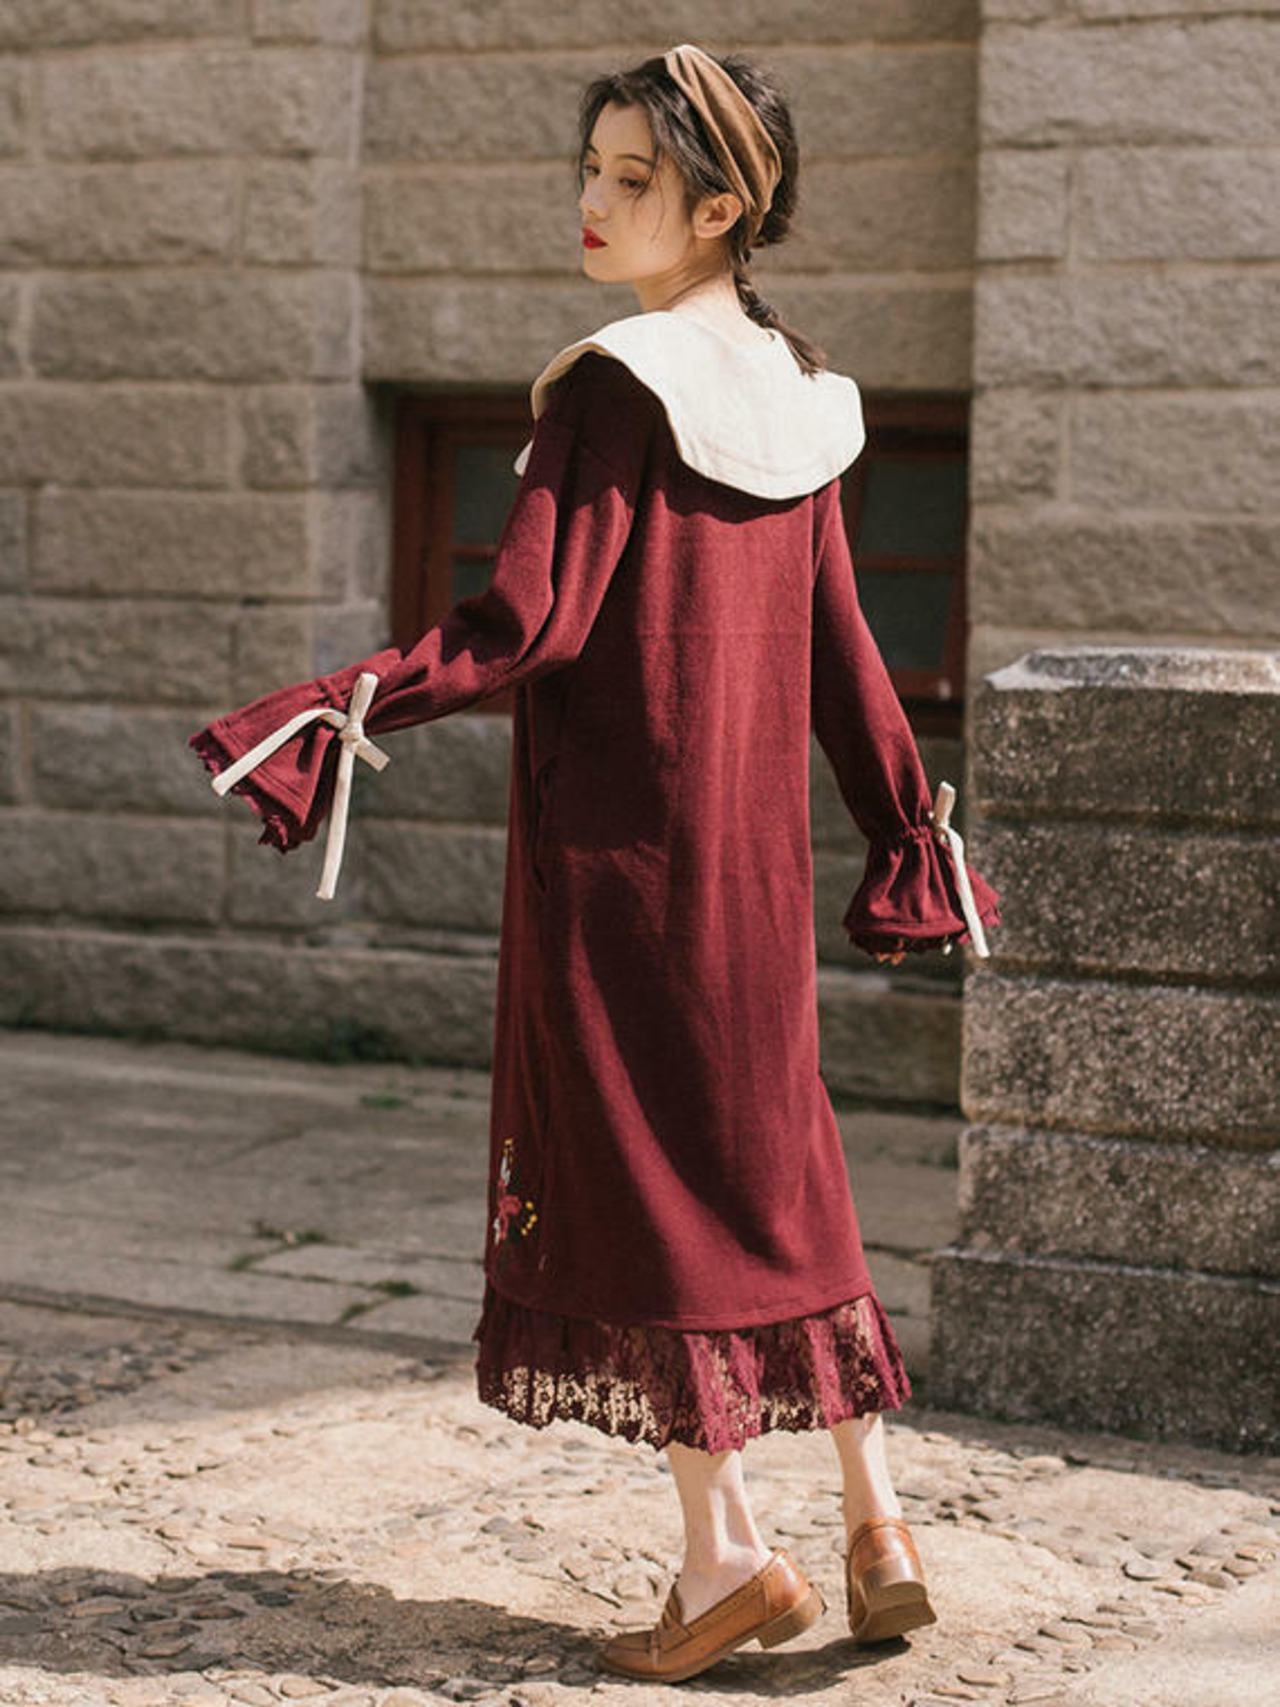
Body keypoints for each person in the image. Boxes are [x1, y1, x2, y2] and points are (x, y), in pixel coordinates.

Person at [192, 43, 999, 1685]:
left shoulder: (618, 388)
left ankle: (726, 1561)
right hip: (752, 885)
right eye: (592, 167)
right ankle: (878, 1526)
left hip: (623, 878)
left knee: (650, 1194)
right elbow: (850, 659)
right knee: (777, 1173)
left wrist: (334, 712)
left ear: (721, 208)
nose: (593, 201)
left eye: (635, 179)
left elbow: (525, 624)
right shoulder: (797, 391)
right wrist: (903, 835)